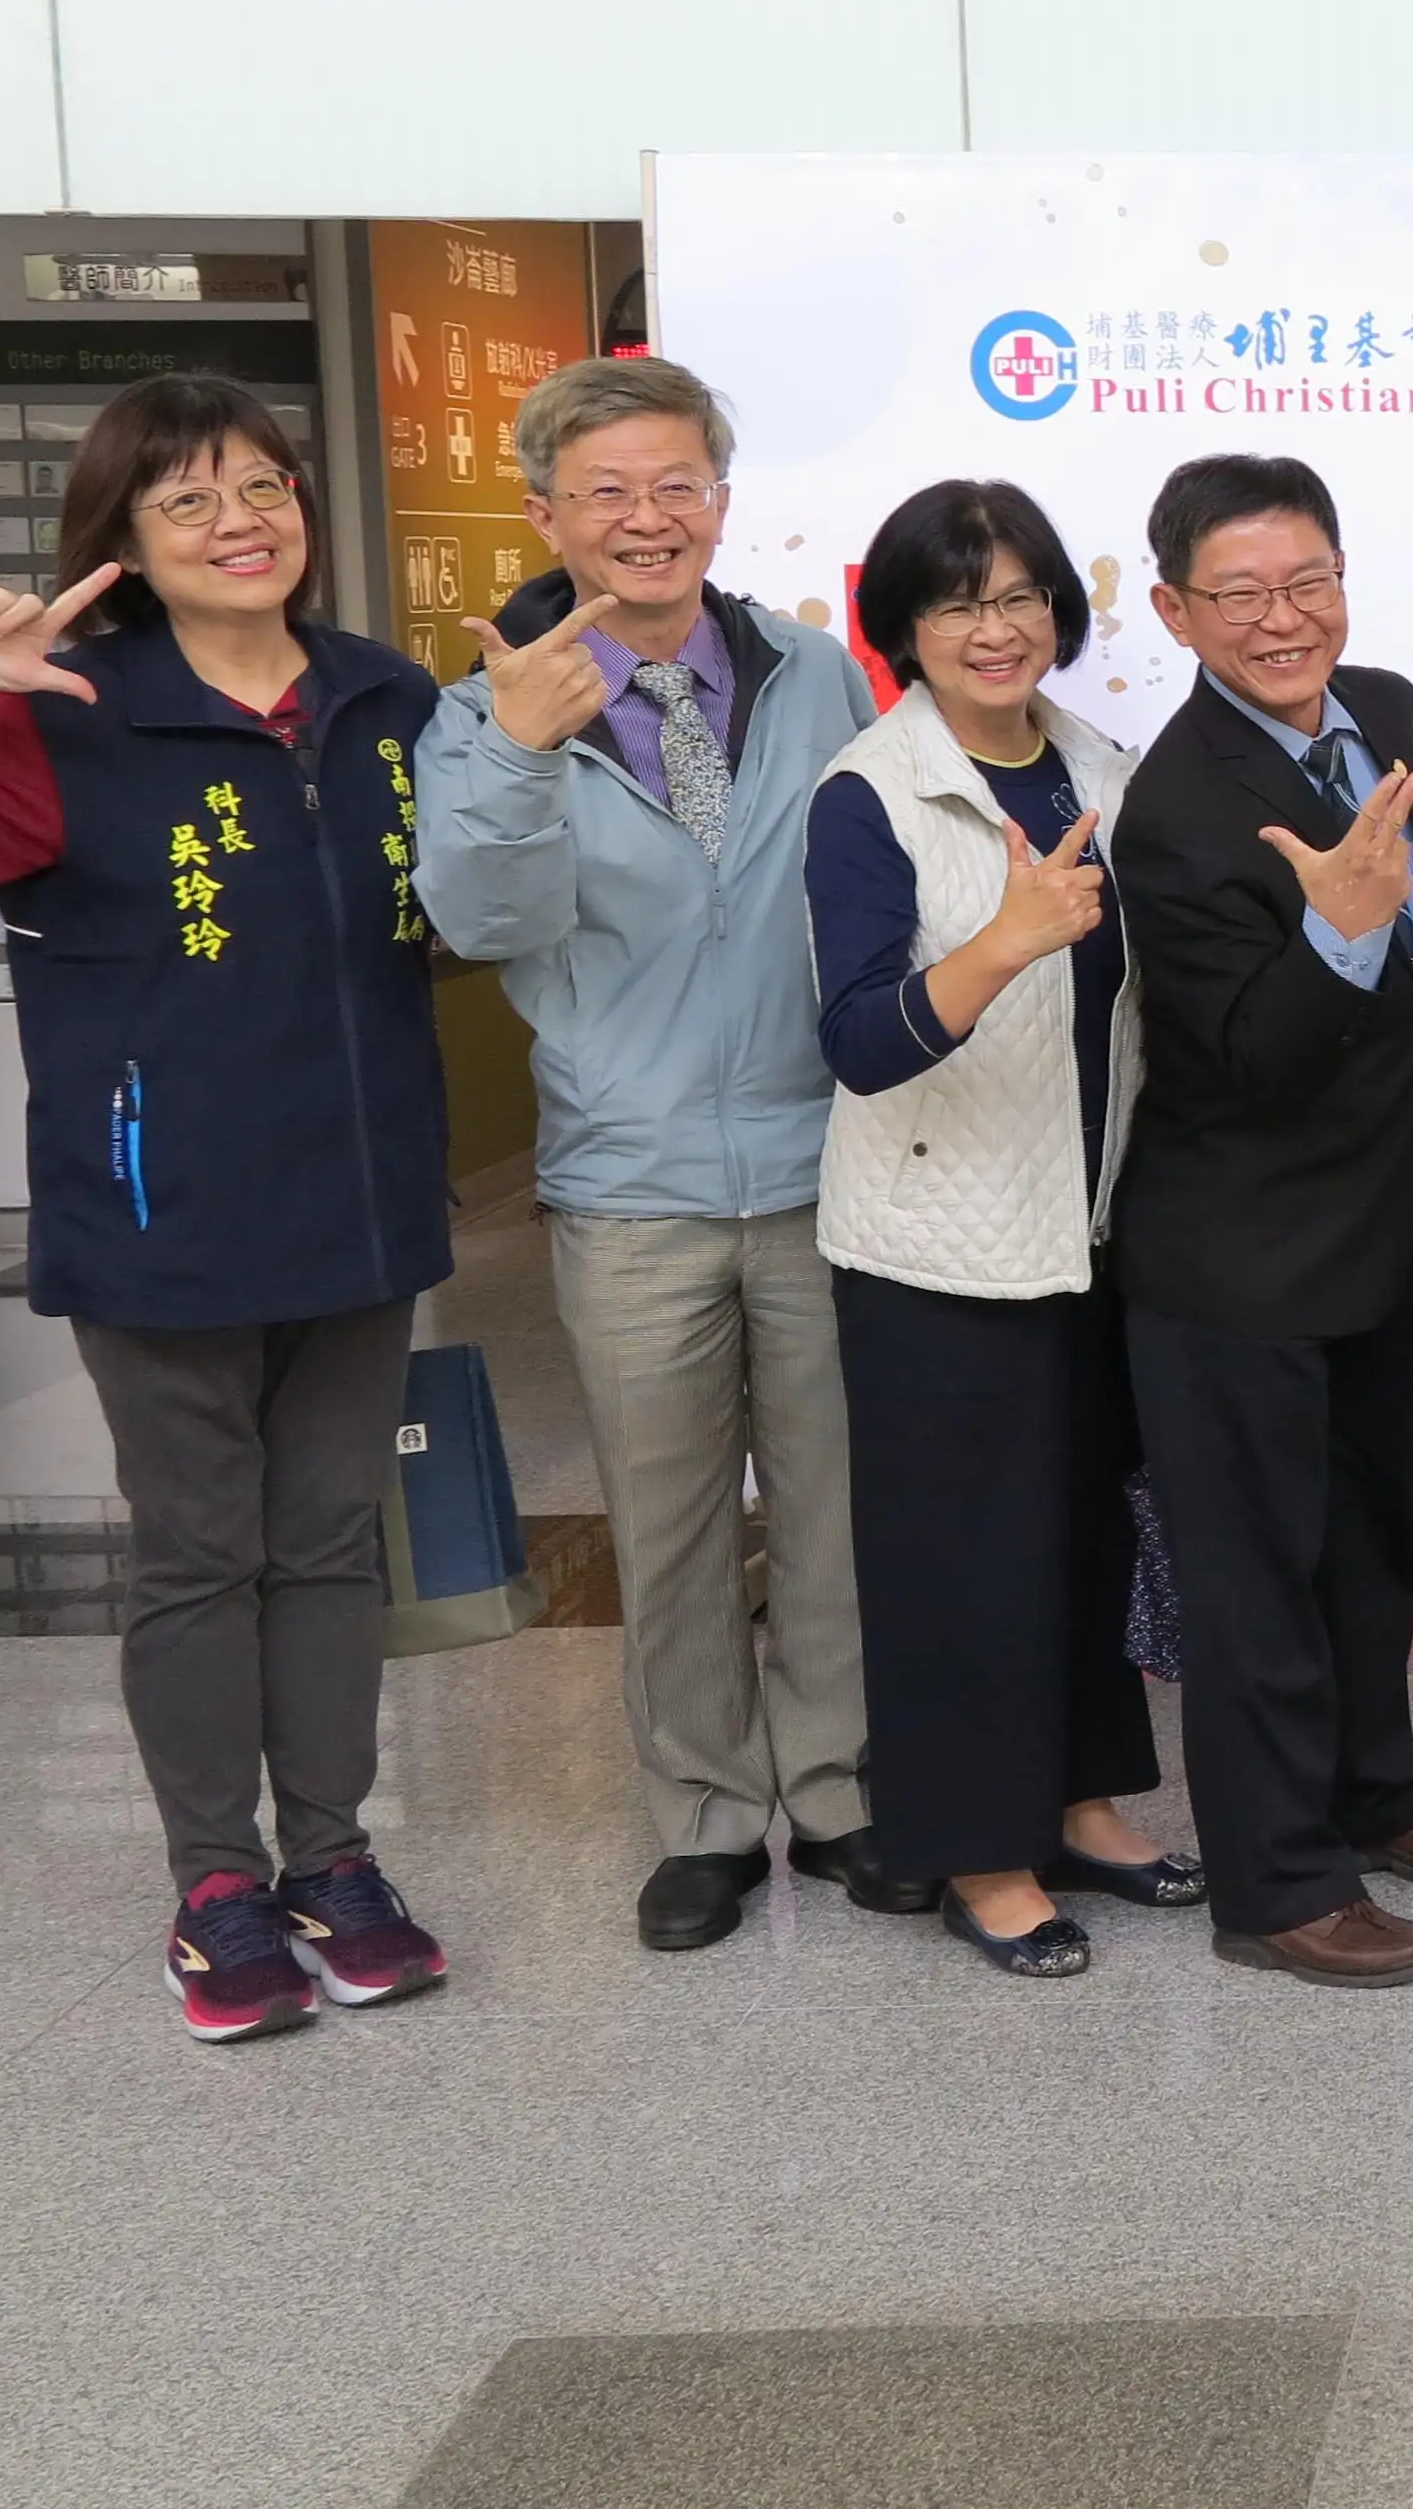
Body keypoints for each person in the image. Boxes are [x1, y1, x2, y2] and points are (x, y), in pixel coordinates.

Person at [0, 376, 453, 2039]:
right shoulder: (60, 711)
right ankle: (217, 1882)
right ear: (129, 545)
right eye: (193, 500)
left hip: (361, 1204)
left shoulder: (386, 699)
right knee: (203, 1554)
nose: (244, 521)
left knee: (332, 1545)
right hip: (161, 1215)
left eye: (266, 485)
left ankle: (335, 1861)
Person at [415, 356, 911, 1951]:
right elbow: (482, 922)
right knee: (671, 1514)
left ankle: (836, 1792)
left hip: (825, 1159)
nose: (647, 520)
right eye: (608, 493)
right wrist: (510, 748)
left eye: (677, 486)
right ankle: (703, 1815)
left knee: (840, 1503)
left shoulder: (813, 670)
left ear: (720, 500)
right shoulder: (484, 707)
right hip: (630, 1186)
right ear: (544, 512)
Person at [1109, 452, 1413, 1989]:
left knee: (1366, 1544)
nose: (1284, 620)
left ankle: (1377, 1790)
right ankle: (1279, 1882)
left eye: (1309, 581)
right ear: (1173, 610)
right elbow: (1241, 1059)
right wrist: (1339, 934)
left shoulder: (1389, 712)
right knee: (1257, 1579)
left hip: (1370, 1224)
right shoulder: (1175, 806)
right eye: (1239, 595)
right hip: (1230, 1254)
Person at [807, 479, 1197, 1980]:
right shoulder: (873, 791)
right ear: (904, 623)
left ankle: (1083, 1799)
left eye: (1024, 594)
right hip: (933, 1243)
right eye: (961, 599)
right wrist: (1004, 942)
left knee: (1083, 1537)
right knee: (958, 1559)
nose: (997, 626)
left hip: (1092, 1226)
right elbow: (857, 1038)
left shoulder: (1102, 763)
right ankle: (980, 1848)